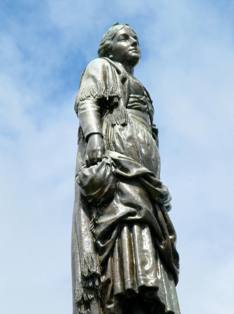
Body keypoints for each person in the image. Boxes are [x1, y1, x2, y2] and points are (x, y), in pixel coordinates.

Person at [72, 23, 180, 314]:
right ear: (108, 46)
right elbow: (87, 102)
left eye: (136, 37)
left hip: (146, 175)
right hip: (119, 166)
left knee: (149, 231)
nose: (133, 41)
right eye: (124, 37)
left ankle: (146, 288)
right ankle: (130, 288)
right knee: (127, 220)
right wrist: (95, 137)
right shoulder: (101, 66)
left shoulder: (140, 86)